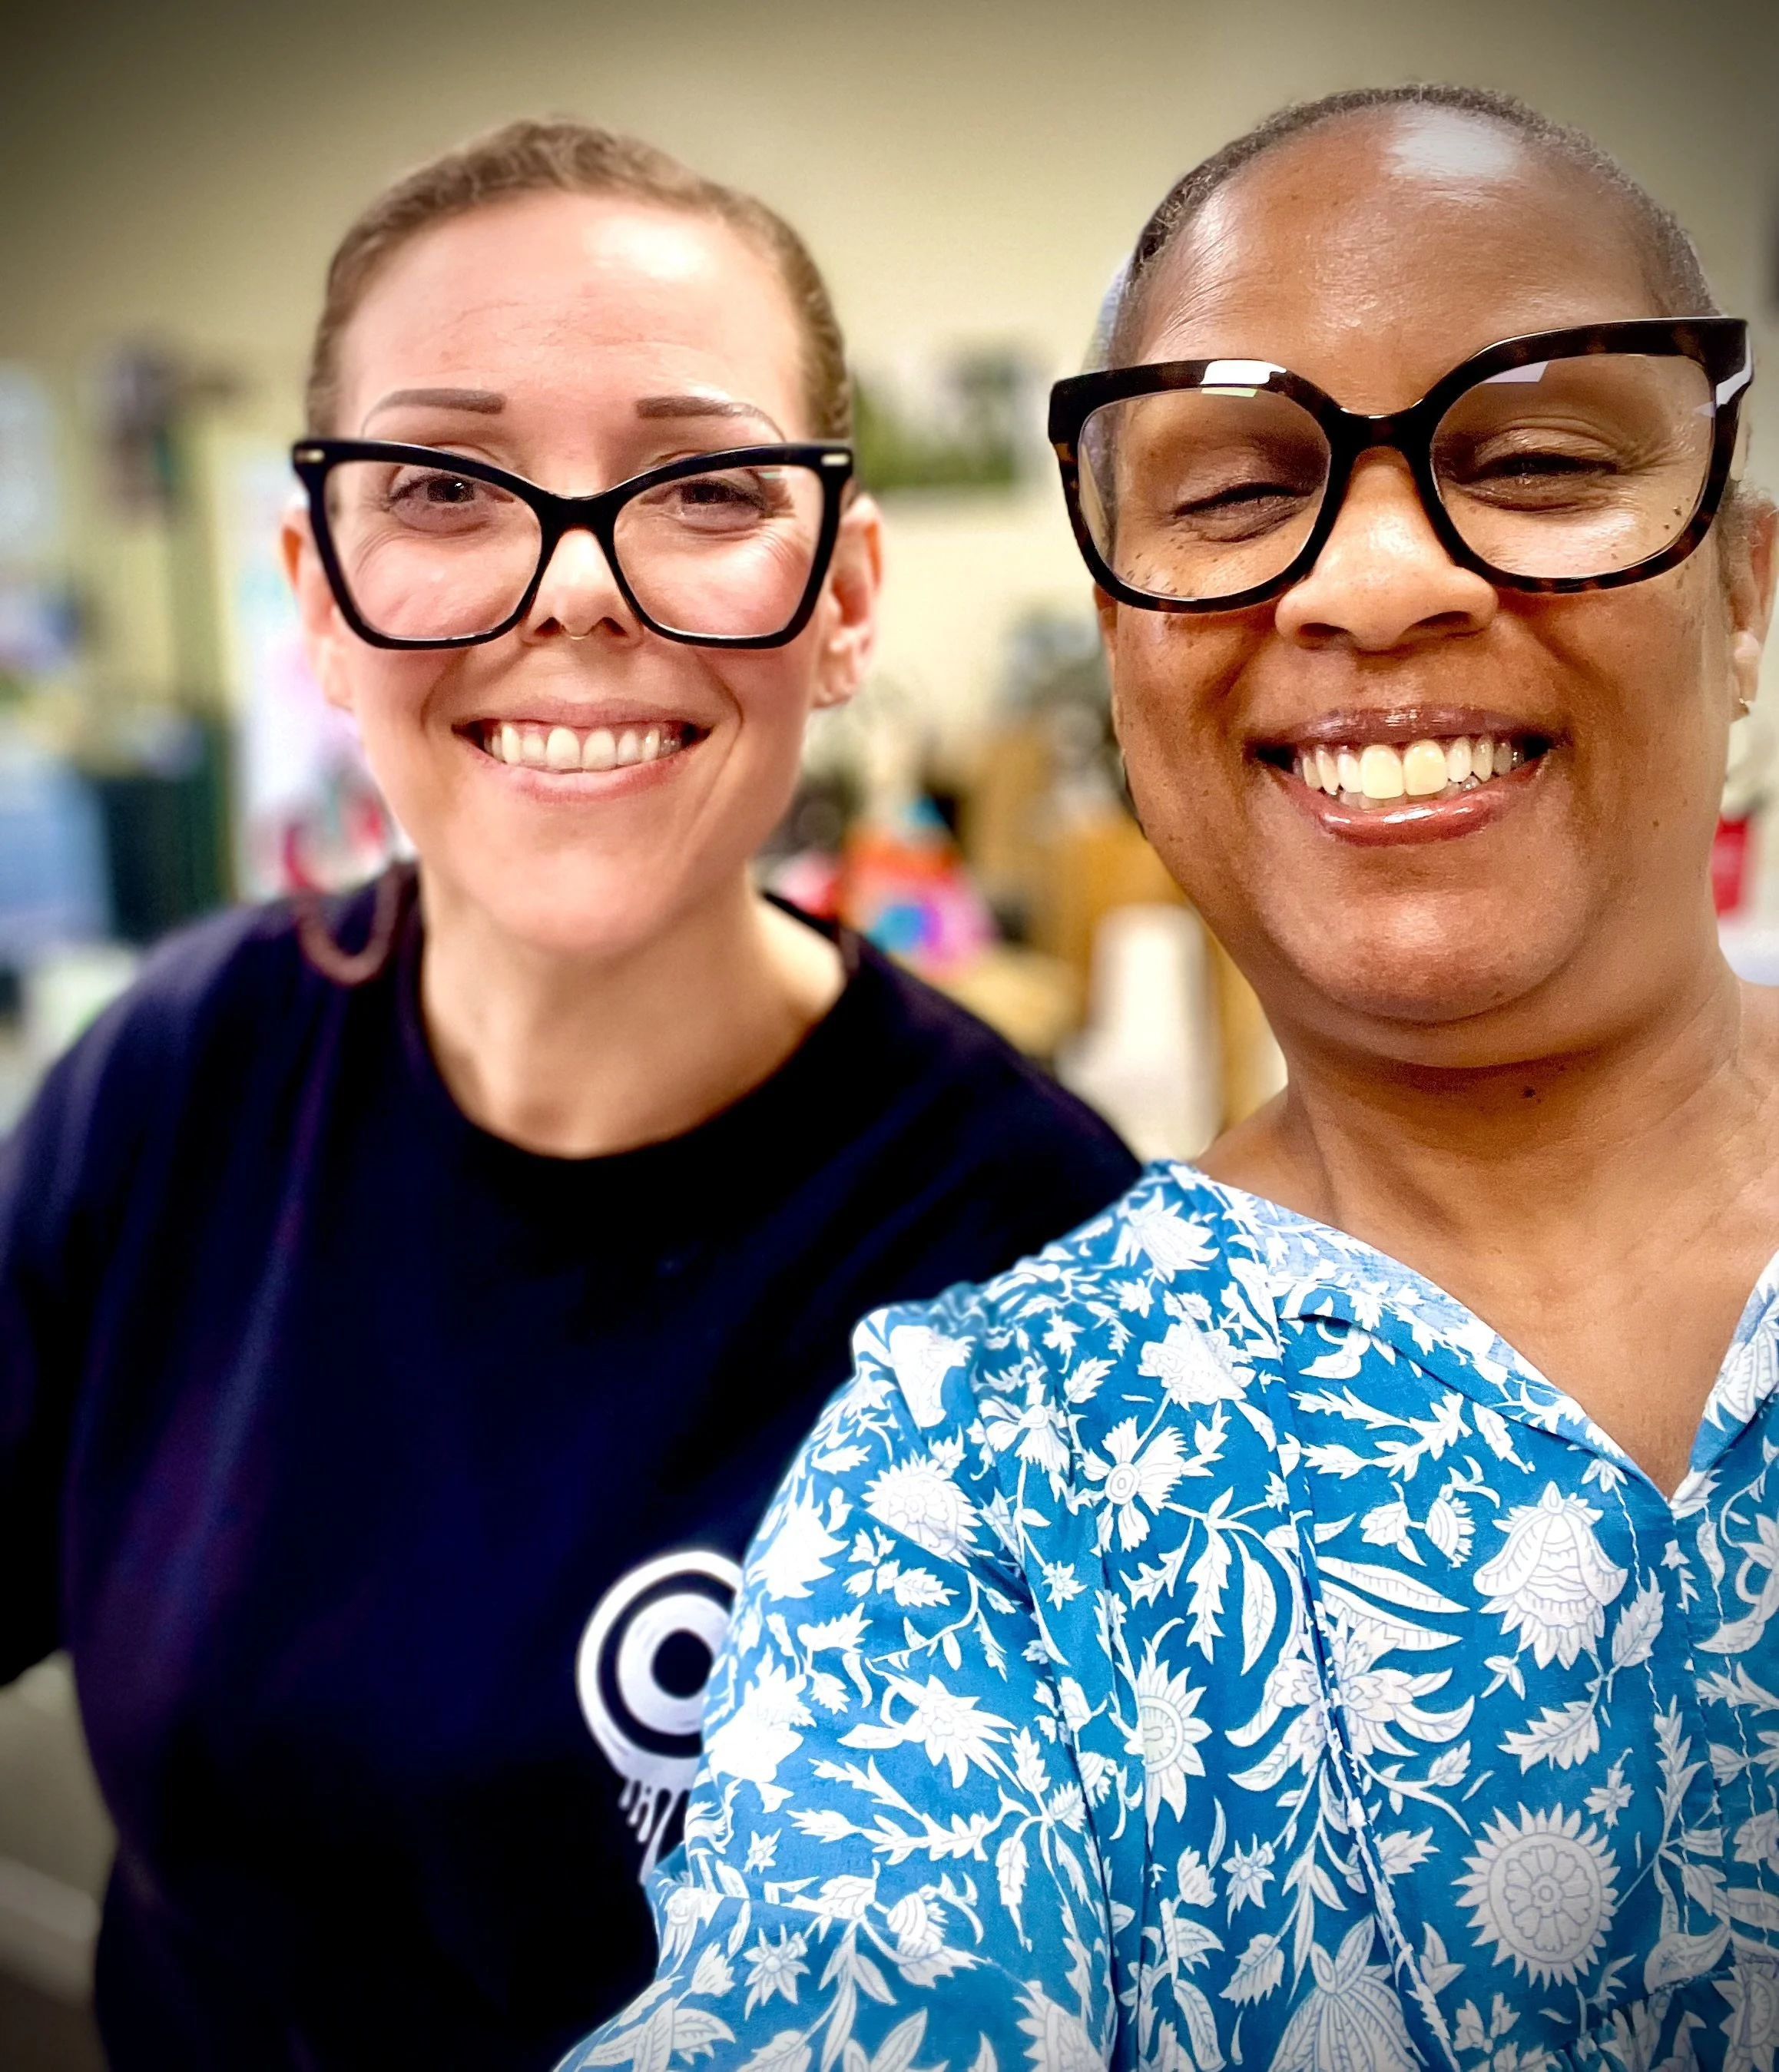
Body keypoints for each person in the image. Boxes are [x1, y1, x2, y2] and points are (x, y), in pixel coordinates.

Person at [562, 84, 1779, 2072]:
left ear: (1738, 590)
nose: (1376, 581)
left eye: (1538, 458)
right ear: (1126, 654)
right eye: (1232, 496)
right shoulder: (974, 1493)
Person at [0, 121, 1138, 2070]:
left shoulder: (1028, 1255)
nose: (576, 588)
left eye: (701, 484)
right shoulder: (175, 1083)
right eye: (444, 483)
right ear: (320, 592)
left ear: (841, 595)